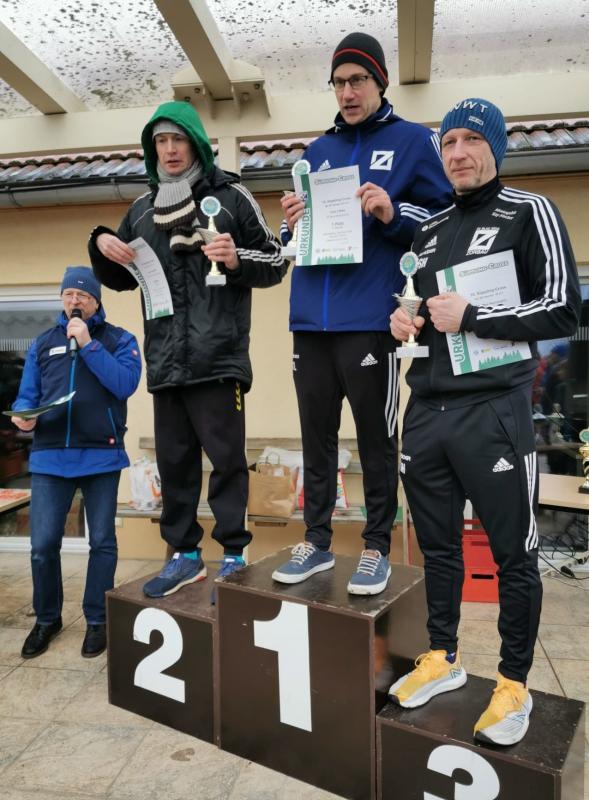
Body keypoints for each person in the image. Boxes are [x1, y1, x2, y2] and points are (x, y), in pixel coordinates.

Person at [388, 98, 581, 744]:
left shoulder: (529, 212)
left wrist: (473, 316)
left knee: (512, 555)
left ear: (495, 147)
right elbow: (425, 313)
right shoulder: (428, 229)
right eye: (448, 143)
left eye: (471, 140)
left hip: (494, 411)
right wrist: (404, 321)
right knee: (438, 549)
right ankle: (442, 656)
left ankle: (513, 683)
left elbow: (563, 309)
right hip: (427, 409)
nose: (458, 153)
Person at [272, 32, 452, 595]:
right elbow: (290, 242)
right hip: (311, 320)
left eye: (357, 80)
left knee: (376, 439)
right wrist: (290, 225)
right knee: (316, 438)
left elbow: (446, 222)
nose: (347, 92)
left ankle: (376, 546)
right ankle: (317, 541)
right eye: (338, 82)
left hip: (372, 320)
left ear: (380, 82)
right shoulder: (315, 152)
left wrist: (393, 213)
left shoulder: (413, 142)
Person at [88, 101, 287, 599]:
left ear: (195, 143)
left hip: (218, 360)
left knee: (227, 463)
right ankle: (184, 555)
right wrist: (102, 246)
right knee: (175, 465)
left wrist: (236, 259)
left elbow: (276, 259)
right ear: (151, 148)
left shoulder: (232, 196)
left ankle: (234, 556)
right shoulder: (141, 209)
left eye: (178, 139)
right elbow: (120, 277)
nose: (170, 149)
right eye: (161, 141)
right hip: (166, 363)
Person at [12, 267, 141, 659]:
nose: (74, 301)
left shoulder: (119, 339)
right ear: (61, 299)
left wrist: (87, 344)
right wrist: (24, 415)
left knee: (102, 542)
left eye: (83, 295)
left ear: (96, 302)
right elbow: (27, 394)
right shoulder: (43, 343)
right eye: (68, 294)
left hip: (101, 455)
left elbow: (125, 384)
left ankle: (97, 621)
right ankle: (47, 619)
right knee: (42, 545)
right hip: (50, 457)